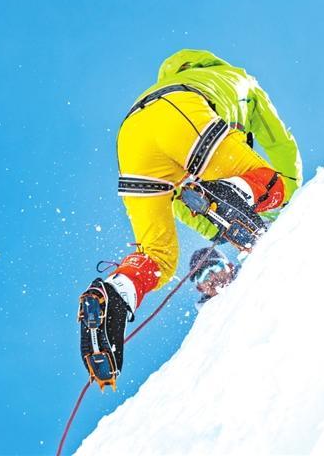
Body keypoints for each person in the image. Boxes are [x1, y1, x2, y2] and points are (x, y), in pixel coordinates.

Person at [78, 49, 302, 390]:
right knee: (274, 183)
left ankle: (116, 294)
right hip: (183, 112)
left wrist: (219, 224)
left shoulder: (168, 83)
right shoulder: (240, 79)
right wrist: (292, 200)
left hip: (131, 138)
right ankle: (239, 192)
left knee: (158, 257)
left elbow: (183, 201)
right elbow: (281, 146)